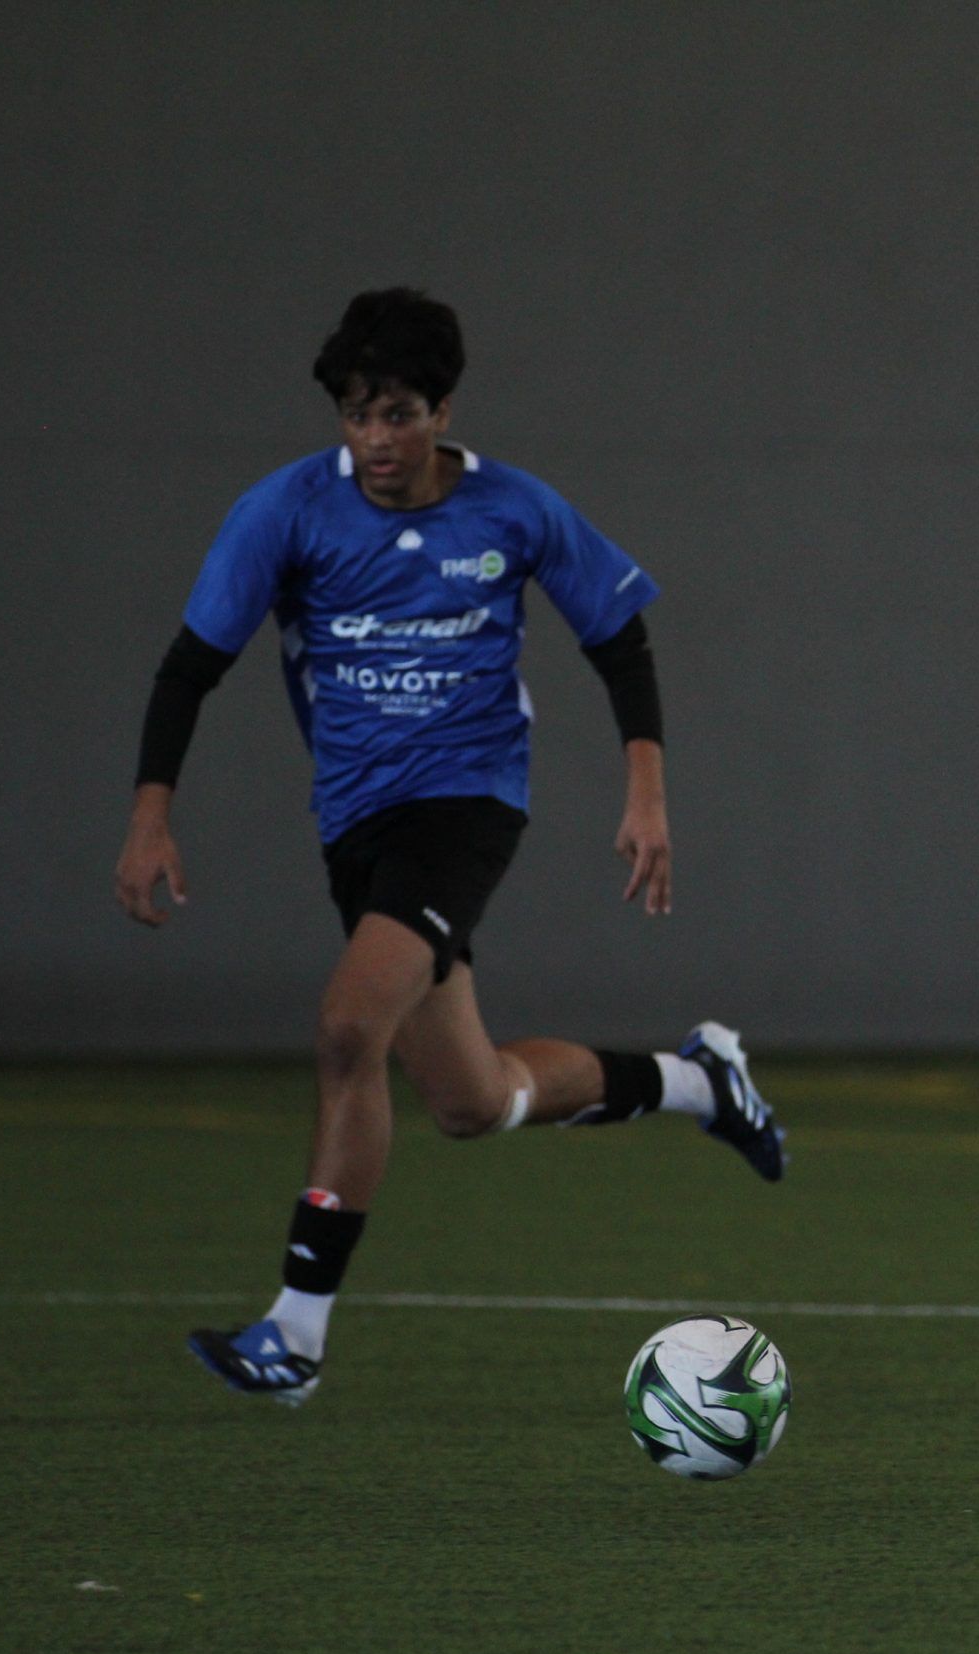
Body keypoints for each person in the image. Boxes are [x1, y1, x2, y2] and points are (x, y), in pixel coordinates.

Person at [115, 287, 787, 1407]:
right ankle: (698, 1082)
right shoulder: (285, 512)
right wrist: (150, 815)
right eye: (358, 415)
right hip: (356, 822)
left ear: (443, 409)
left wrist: (647, 795)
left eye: (399, 413)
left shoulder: (513, 510)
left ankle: (295, 1336)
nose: (377, 439)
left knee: (349, 1027)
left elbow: (619, 640)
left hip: (465, 806)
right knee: (474, 1102)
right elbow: (190, 668)